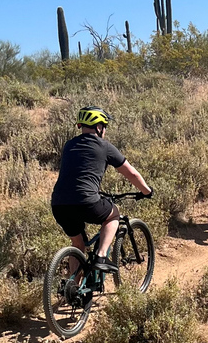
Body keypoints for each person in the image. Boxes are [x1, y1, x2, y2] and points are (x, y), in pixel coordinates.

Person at [51, 106, 152, 274]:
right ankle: (102, 256)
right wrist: (147, 191)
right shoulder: (104, 146)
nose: (105, 130)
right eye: (104, 126)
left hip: (59, 204)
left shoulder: (69, 145)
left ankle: (73, 290)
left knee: (78, 245)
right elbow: (132, 173)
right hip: (87, 202)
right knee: (113, 215)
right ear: (99, 127)